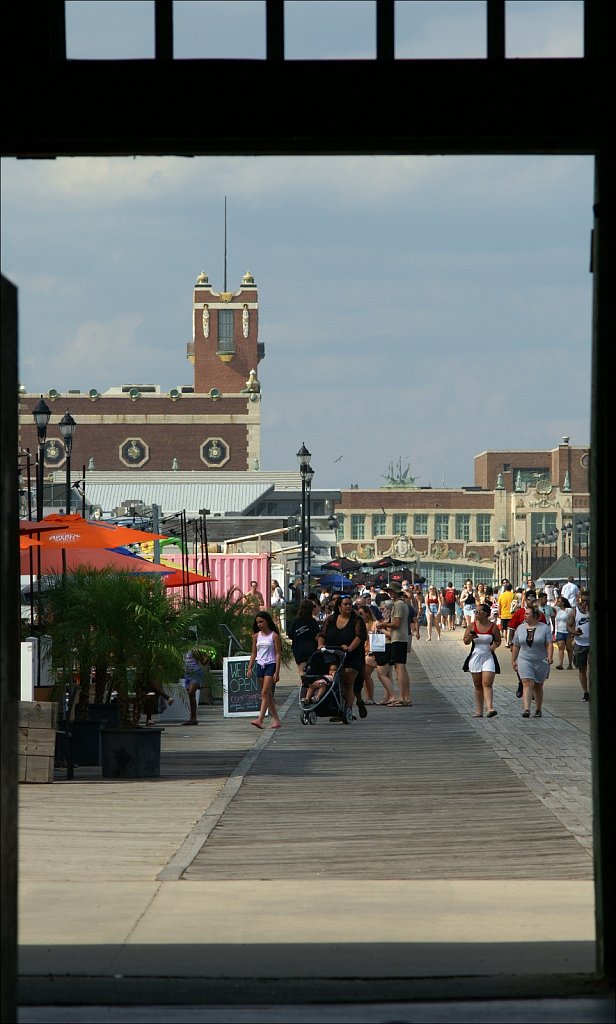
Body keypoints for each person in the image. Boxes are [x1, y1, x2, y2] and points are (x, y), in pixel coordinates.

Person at [317, 594, 368, 721]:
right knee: (334, 681)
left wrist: (350, 647)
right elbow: (322, 634)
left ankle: (348, 710)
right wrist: (321, 645)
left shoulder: (357, 620)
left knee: (348, 681)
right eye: (345, 604)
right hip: (334, 655)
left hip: (353, 655)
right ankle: (338, 708)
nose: (348, 606)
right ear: (339, 606)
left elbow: (359, 636)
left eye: (350, 604)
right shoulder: (330, 619)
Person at [511, 602, 554, 718]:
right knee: (527, 682)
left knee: (538, 685)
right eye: (525, 614)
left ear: (535, 616)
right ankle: (526, 709)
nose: (525, 616)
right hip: (524, 659)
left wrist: (550, 656)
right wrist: (514, 660)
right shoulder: (520, 628)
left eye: (527, 614)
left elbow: (549, 644)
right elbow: (516, 645)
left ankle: (538, 709)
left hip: (541, 660)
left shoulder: (544, 628)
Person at [462, 603, 501, 718]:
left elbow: (498, 640)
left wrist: (494, 645)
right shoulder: (472, 626)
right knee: (478, 685)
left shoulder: (493, 627)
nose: (476, 614)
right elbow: (466, 641)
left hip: (488, 656)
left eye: (478, 612)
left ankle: (490, 708)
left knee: (487, 683)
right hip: (475, 657)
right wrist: (470, 636)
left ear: (485, 614)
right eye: (475, 612)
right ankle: (479, 711)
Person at [377, 582, 412, 706]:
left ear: (396, 592)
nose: (389, 593)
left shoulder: (398, 604)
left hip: (398, 638)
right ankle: (406, 697)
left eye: (391, 591)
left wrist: (383, 624)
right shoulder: (402, 604)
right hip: (402, 638)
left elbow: (396, 623)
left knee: (399, 668)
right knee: (402, 667)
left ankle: (402, 697)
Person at [247, 610, 282, 730]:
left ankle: (260, 719)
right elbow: (253, 653)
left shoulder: (274, 636)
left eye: (261, 621)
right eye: (257, 622)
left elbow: (278, 654)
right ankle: (277, 720)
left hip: (271, 664)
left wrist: (277, 671)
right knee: (268, 695)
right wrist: (250, 667)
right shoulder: (256, 636)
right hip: (260, 664)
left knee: (265, 693)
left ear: (267, 621)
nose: (259, 624)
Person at [287, 598, 321, 679]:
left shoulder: (295, 621)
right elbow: (317, 636)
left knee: (302, 671)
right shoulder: (313, 622)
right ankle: (309, 687)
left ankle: (304, 685)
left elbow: (290, 635)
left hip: (299, 648)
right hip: (311, 648)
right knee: (312, 671)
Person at [567, 590, 590, 701]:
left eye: (588, 601)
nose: (585, 604)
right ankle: (585, 692)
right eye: (584, 601)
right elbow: (569, 625)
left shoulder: (593, 611)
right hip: (580, 643)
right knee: (582, 669)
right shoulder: (575, 612)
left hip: (592, 644)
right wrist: (574, 632)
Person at [356, 603, 381, 704]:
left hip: (372, 652)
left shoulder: (375, 624)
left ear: (367, 614)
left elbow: (378, 639)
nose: (360, 615)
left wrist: (373, 651)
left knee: (366, 674)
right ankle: (368, 697)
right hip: (361, 652)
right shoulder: (359, 624)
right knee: (364, 676)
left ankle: (370, 697)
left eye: (361, 613)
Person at [182, 647, 210, 725]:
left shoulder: (194, 650)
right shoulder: (181, 650)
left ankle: (193, 718)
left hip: (195, 673)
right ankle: (193, 718)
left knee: (191, 693)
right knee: (191, 696)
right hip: (187, 674)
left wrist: (208, 656)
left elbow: (203, 662)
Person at [553, 595, 574, 670]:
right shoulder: (558, 610)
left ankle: (570, 664)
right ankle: (560, 664)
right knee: (560, 647)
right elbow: (553, 607)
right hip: (560, 631)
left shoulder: (569, 610)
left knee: (569, 648)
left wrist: (572, 632)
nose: (558, 602)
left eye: (559, 601)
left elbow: (572, 621)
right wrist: (557, 599)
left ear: (563, 603)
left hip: (568, 631)